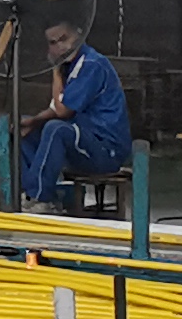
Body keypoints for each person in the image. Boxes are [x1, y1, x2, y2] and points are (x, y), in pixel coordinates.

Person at [16, 22, 131, 204]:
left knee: (56, 129)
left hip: (105, 149)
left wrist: (55, 70)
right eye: (53, 43)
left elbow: (63, 111)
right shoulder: (71, 67)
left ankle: (39, 198)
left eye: (64, 39)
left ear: (78, 35)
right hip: (83, 141)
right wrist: (32, 122)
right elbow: (55, 108)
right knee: (23, 131)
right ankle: (32, 192)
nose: (60, 46)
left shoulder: (91, 64)